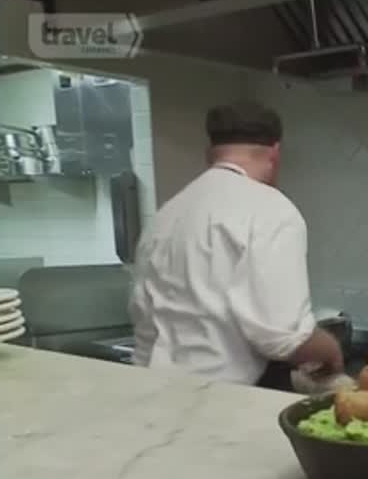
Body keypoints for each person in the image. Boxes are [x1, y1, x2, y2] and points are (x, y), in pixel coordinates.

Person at [128, 100, 343, 389]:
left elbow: (142, 310)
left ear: (209, 154)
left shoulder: (166, 214)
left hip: (147, 388)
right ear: (275, 154)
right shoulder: (271, 209)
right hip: (217, 398)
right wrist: (331, 352)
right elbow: (284, 337)